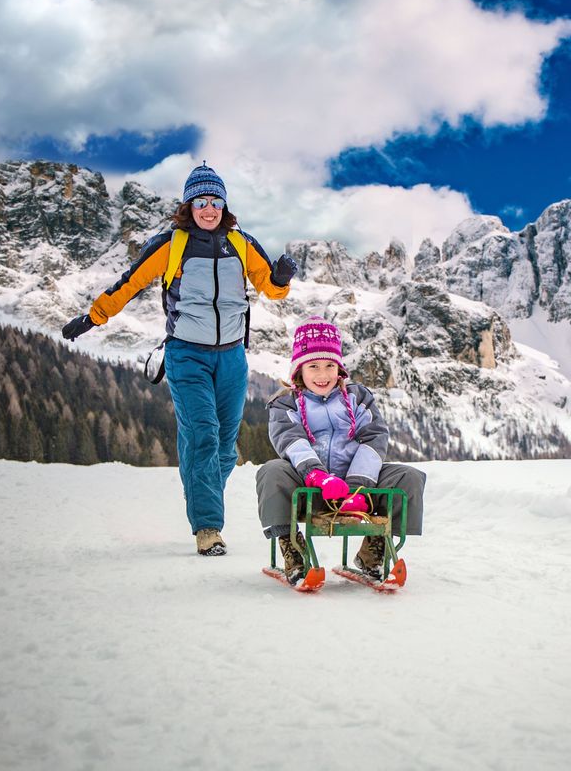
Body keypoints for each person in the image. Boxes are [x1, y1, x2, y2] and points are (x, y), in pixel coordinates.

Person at [61, 162, 296, 556]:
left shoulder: (241, 243)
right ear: (189, 205)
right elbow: (130, 282)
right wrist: (93, 317)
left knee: (223, 446)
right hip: (187, 355)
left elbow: (270, 290)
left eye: (216, 201)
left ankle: (199, 490)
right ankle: (208, 528)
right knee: (202, 433)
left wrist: (282, 279)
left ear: (224, 205)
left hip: (233, 357)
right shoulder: (171, 245)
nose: (209, 209)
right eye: (201, 201)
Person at [256, 316, 425, 586]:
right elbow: (290, 440)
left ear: (340, 367)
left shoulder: (358, 396)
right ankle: (293, 549)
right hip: (310, 485)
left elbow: (374, 438)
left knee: (409, 477)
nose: (323, 375)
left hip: (357, 487)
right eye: (313, 366)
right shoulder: (285, 403)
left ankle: (373, 550)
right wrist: (318, 476)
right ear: (300, 369)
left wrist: (358, 486)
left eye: (329, 366)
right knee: (271, 472)